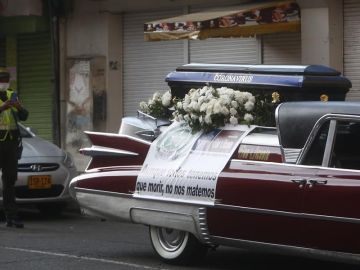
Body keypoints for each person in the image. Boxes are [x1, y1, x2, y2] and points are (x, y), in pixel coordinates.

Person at [0, 67, 29, 228]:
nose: (4, 83)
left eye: (6, 80)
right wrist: (2, 108)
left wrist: (18, 107)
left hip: (10, 142)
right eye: (1, 80)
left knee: (10, 179)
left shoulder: (13, 94)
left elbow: (24, 116)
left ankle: (12, 216)